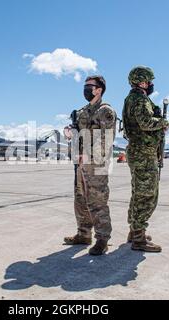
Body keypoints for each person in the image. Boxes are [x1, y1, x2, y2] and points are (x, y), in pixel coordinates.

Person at [63, 75, 117, 256]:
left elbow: (106, 139)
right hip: (80, 163)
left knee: (97, 201)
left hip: (96, 163)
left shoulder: (105, 111)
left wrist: (87, 155)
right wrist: (69, 133)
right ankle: (83, 234)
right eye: (85, 86)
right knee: (80, 199)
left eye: (89, 86)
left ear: (99, 89)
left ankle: (102, 239)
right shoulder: (82, 111)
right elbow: (78, 135)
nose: (86, 89)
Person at [122, 66, 169, 252]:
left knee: (138, 193)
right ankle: (139, 237)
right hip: (144, 153)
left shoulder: (132, 98)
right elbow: (146, 123)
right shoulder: (139, 99)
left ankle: (134, 232)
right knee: (147, 194)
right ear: (141, 81)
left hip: (139, 151)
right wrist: (163, 122)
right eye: (148, 81)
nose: (150, 84)